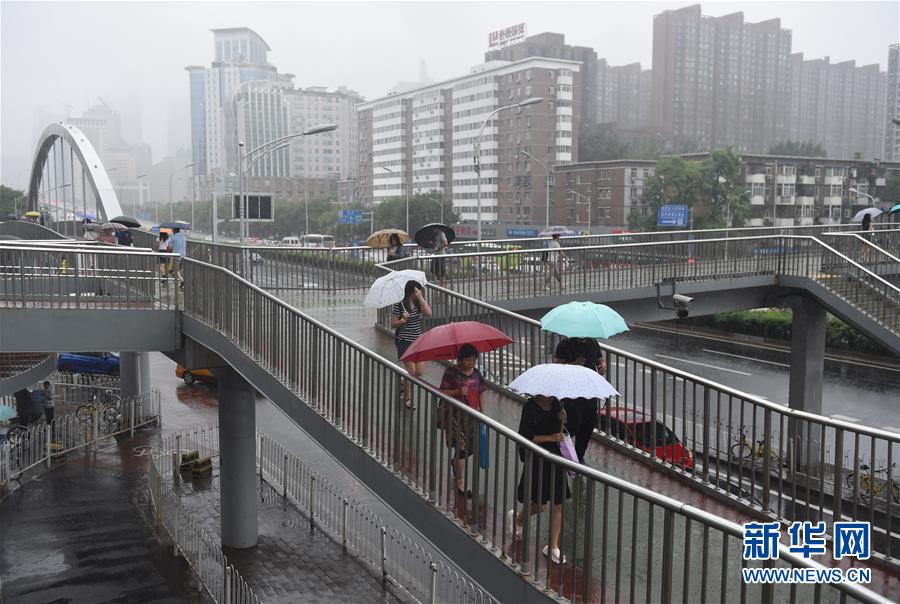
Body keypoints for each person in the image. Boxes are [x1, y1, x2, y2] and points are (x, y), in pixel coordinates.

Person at [508, 395, 571, 565]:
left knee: (559, 503)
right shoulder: (531, 407)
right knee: (540, 505)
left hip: (556, 459)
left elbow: (562, 433)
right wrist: (551, 438)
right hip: (537, 458)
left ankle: (553, 547)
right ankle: (518, 519)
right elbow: (526, 437)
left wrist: (564, 420)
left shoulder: (558, 404)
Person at [438, 344, 486, 500]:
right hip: (454, 416)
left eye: (473, 360)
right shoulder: (451, 373)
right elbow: (443, 391)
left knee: (470, 448)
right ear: (460, 360)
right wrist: (459, 392)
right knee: (462, 448)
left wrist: (481, 411)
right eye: (467, 360)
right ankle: (461, 483)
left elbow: (480, 393)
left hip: (471, 417)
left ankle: (455, 464)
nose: (471, 363)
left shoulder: (477, 374)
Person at [390, 280, 432, 408]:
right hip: (404, 341)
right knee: (412, 372)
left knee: (418, 372)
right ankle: (407, 399)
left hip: (418, 341)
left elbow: (429, 313)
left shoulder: (419, 303)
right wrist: (403, 320)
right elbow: (393, 324)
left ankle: (403, 382)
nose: (419, 293)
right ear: (412, 291)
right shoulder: (399, 305)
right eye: (418, 291)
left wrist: (421, 299)